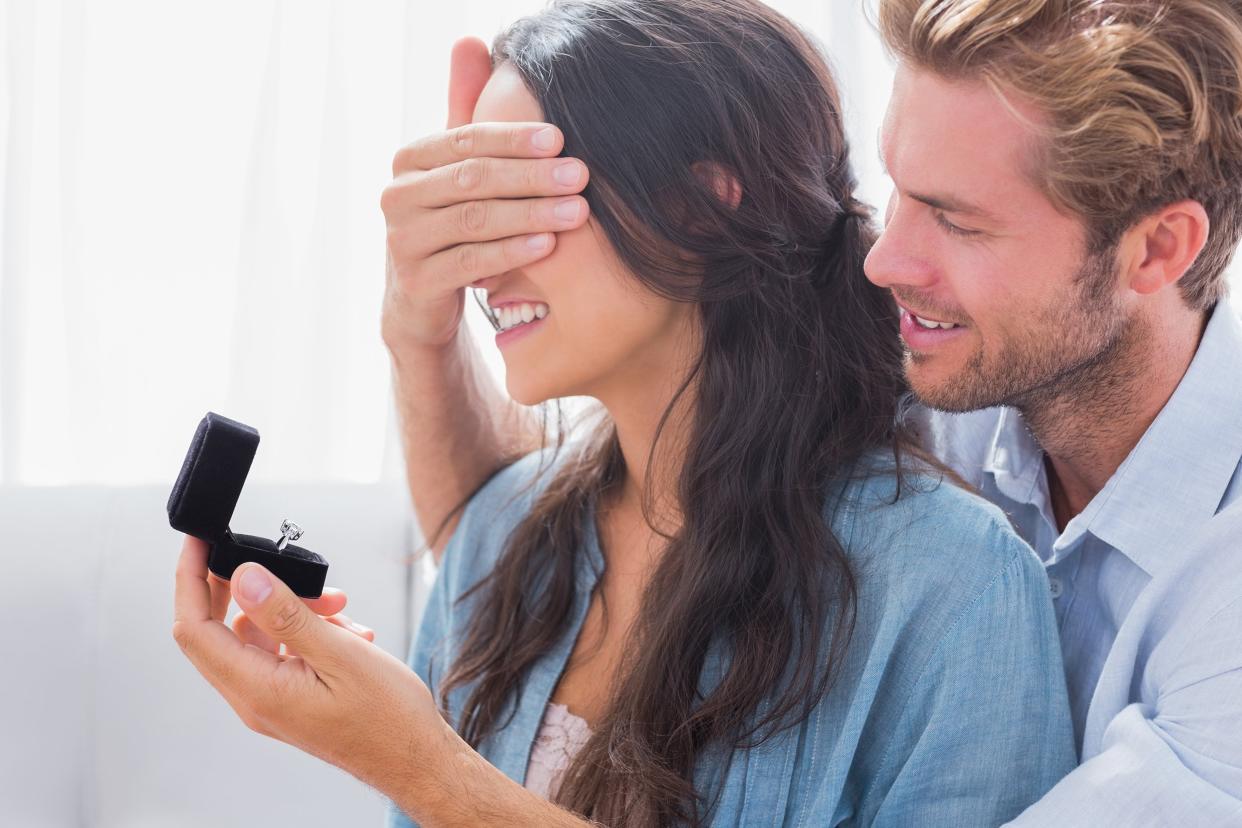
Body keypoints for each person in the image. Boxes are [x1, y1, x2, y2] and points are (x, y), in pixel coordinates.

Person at [172, 0, 1074, 826]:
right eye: (466, 211)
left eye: (518, 201)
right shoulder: (500, 534)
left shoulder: (953, 591)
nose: (479, 264)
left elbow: (433, 785)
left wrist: (424, 768)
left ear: (700, 203)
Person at [378, 0, 1242, 824]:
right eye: (899, 188)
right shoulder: (939, 373)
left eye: (956, 219)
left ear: (1157, 250)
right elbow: (497, 544)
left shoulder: (1000, 571)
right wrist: (421, 332)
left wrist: (417, 763)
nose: (884, 259)